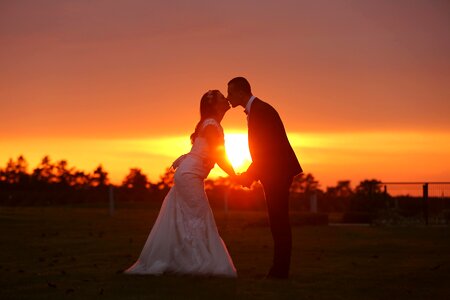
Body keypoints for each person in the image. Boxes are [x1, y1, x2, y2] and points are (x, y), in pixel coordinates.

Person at [125, 90, 237, 277]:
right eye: (221, 96)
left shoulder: (211, 124)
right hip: (190, 175)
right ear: (214, 105)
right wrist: (236, 175)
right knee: (196, 218)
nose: (226, 98)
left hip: (189, 174)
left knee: (191, 218)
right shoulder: (211, 125)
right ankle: (194, 262)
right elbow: (219, 155)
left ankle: (184, 259)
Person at [227, 77, 302, 279]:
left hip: (277, 172)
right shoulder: (258, 110)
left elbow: (266, 151)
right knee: (277, 222)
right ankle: (279, 270)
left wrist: (248, 177)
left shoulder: (262, 111)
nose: (228, 97)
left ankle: (280, 271)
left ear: (242, 92)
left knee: (279, 222)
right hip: (273, 172)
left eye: (230, 93)